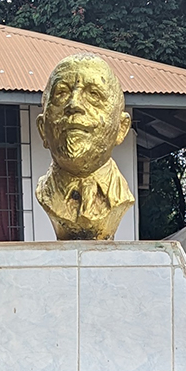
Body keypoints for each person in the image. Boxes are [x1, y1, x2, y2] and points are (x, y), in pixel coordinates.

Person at [34, 53, 135, 240]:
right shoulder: (44, 194)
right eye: (61, 93)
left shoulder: (122, 196)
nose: (74, 104)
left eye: (94, 94)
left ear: (121, 128)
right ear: (42, 128)